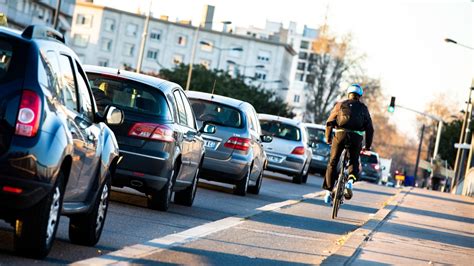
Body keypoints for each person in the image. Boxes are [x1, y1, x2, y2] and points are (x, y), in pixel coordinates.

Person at [323, 84, 374, 204]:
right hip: (356, 138)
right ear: (359, 96)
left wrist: (328, 138)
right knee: (354, 160)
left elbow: (330, 122)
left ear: (348, 94)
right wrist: (367, 146)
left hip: (340, 135)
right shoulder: (363, 108)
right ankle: (350, 182)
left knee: (333, 161)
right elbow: (370, 129)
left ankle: (328, 191)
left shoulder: (340, 105)